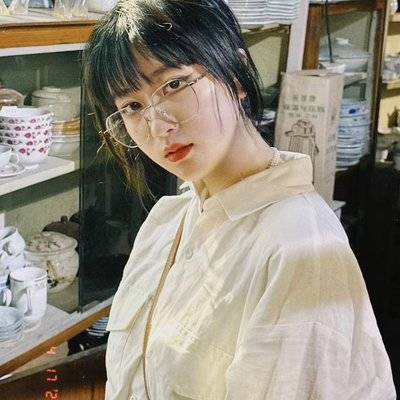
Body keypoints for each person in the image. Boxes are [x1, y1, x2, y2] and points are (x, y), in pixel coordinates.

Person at [83, 1, 396, 399]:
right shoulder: (167, 220)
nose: (158, 126)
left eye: (174, 84)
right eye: (132, 106)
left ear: (235, 73)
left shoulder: (300, 250)